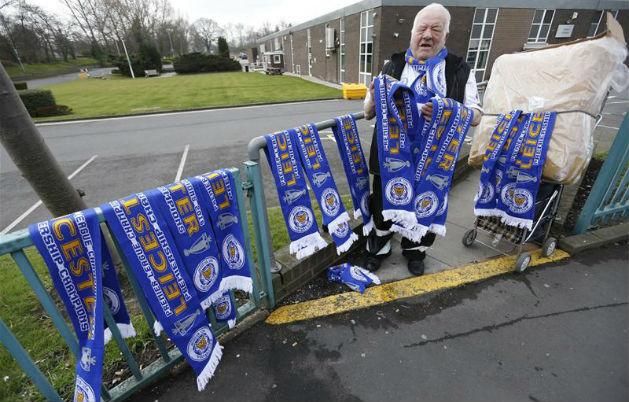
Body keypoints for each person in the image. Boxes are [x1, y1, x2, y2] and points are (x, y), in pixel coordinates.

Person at [362, 2, 483, 276]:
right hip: (390, 156)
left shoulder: (460, 70)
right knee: (382, 202)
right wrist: (371, 96)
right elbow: (368, 112)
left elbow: (476, 114)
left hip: (433, 159)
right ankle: (379, 247)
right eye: (422, 28)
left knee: (425, 204)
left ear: (446, 36)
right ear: (412, 32)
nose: (427, 35)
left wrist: (446, 109)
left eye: (436, 29)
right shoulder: (391, 64)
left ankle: (414, 250)